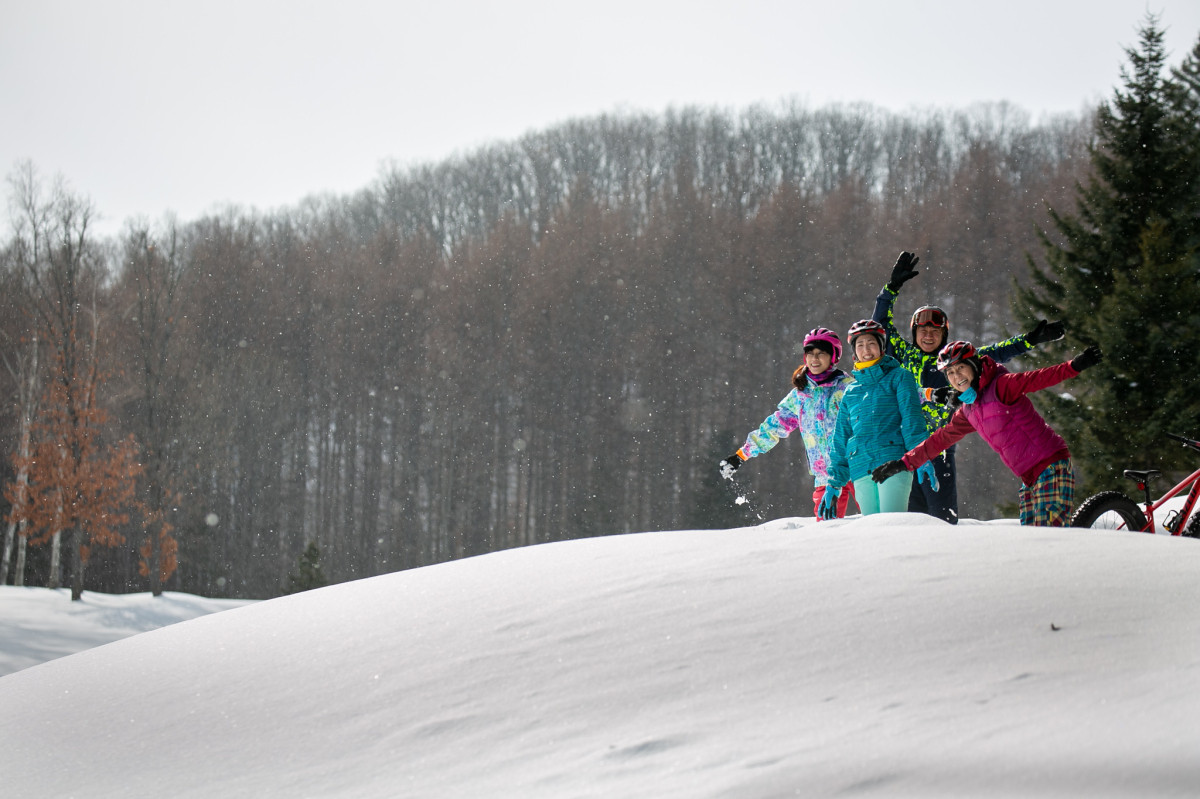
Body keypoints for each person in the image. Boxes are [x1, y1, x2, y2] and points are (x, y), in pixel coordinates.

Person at [872, 251, 1066, 523]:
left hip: (938, 449)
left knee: (941, 519)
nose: (928, 335)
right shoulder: (904, 356)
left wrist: (1031, 340)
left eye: (935, 331)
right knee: (910, 524)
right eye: (922, 330)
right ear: (914, 334)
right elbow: (880, 326)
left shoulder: (957, 362)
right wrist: (890, 289)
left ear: (944, 335)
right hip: (906, 450)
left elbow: (998, 353)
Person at [871, 340, 1103, 527]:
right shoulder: (969, 410)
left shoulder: (1001, 385)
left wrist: (1075, 365)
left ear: (974, 365)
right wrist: (904, 463)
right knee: (1035, 537)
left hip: (1050, 463)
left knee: (1050, 536)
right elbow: (939, 439)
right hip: (1028, 476)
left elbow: (1038, 378)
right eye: (950, 372)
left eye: (961, 367)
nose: (956, 376)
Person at [721, 328, 858, 519]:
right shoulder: (801, 395)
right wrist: (741, 455)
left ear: (833, 356)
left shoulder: (847, 387)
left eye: (821, 354)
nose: (815, 359)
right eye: (810, 354)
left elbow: (867, 420)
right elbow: (773, 427)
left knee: (875, 521)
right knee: (827, 532)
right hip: (825, 476)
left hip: (857, 466)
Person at [820, 319, 935, 519]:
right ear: (854, 352)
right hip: (860, 467)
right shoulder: (850, 392)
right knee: (872, 531)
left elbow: (911, 420)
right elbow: (841, 439)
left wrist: (921, 456)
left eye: (871, 343)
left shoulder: (900, 377)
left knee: (891, 525)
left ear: (881, 347)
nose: (866, 349)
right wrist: (833, 482)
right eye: (860, 345)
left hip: (893, 461)